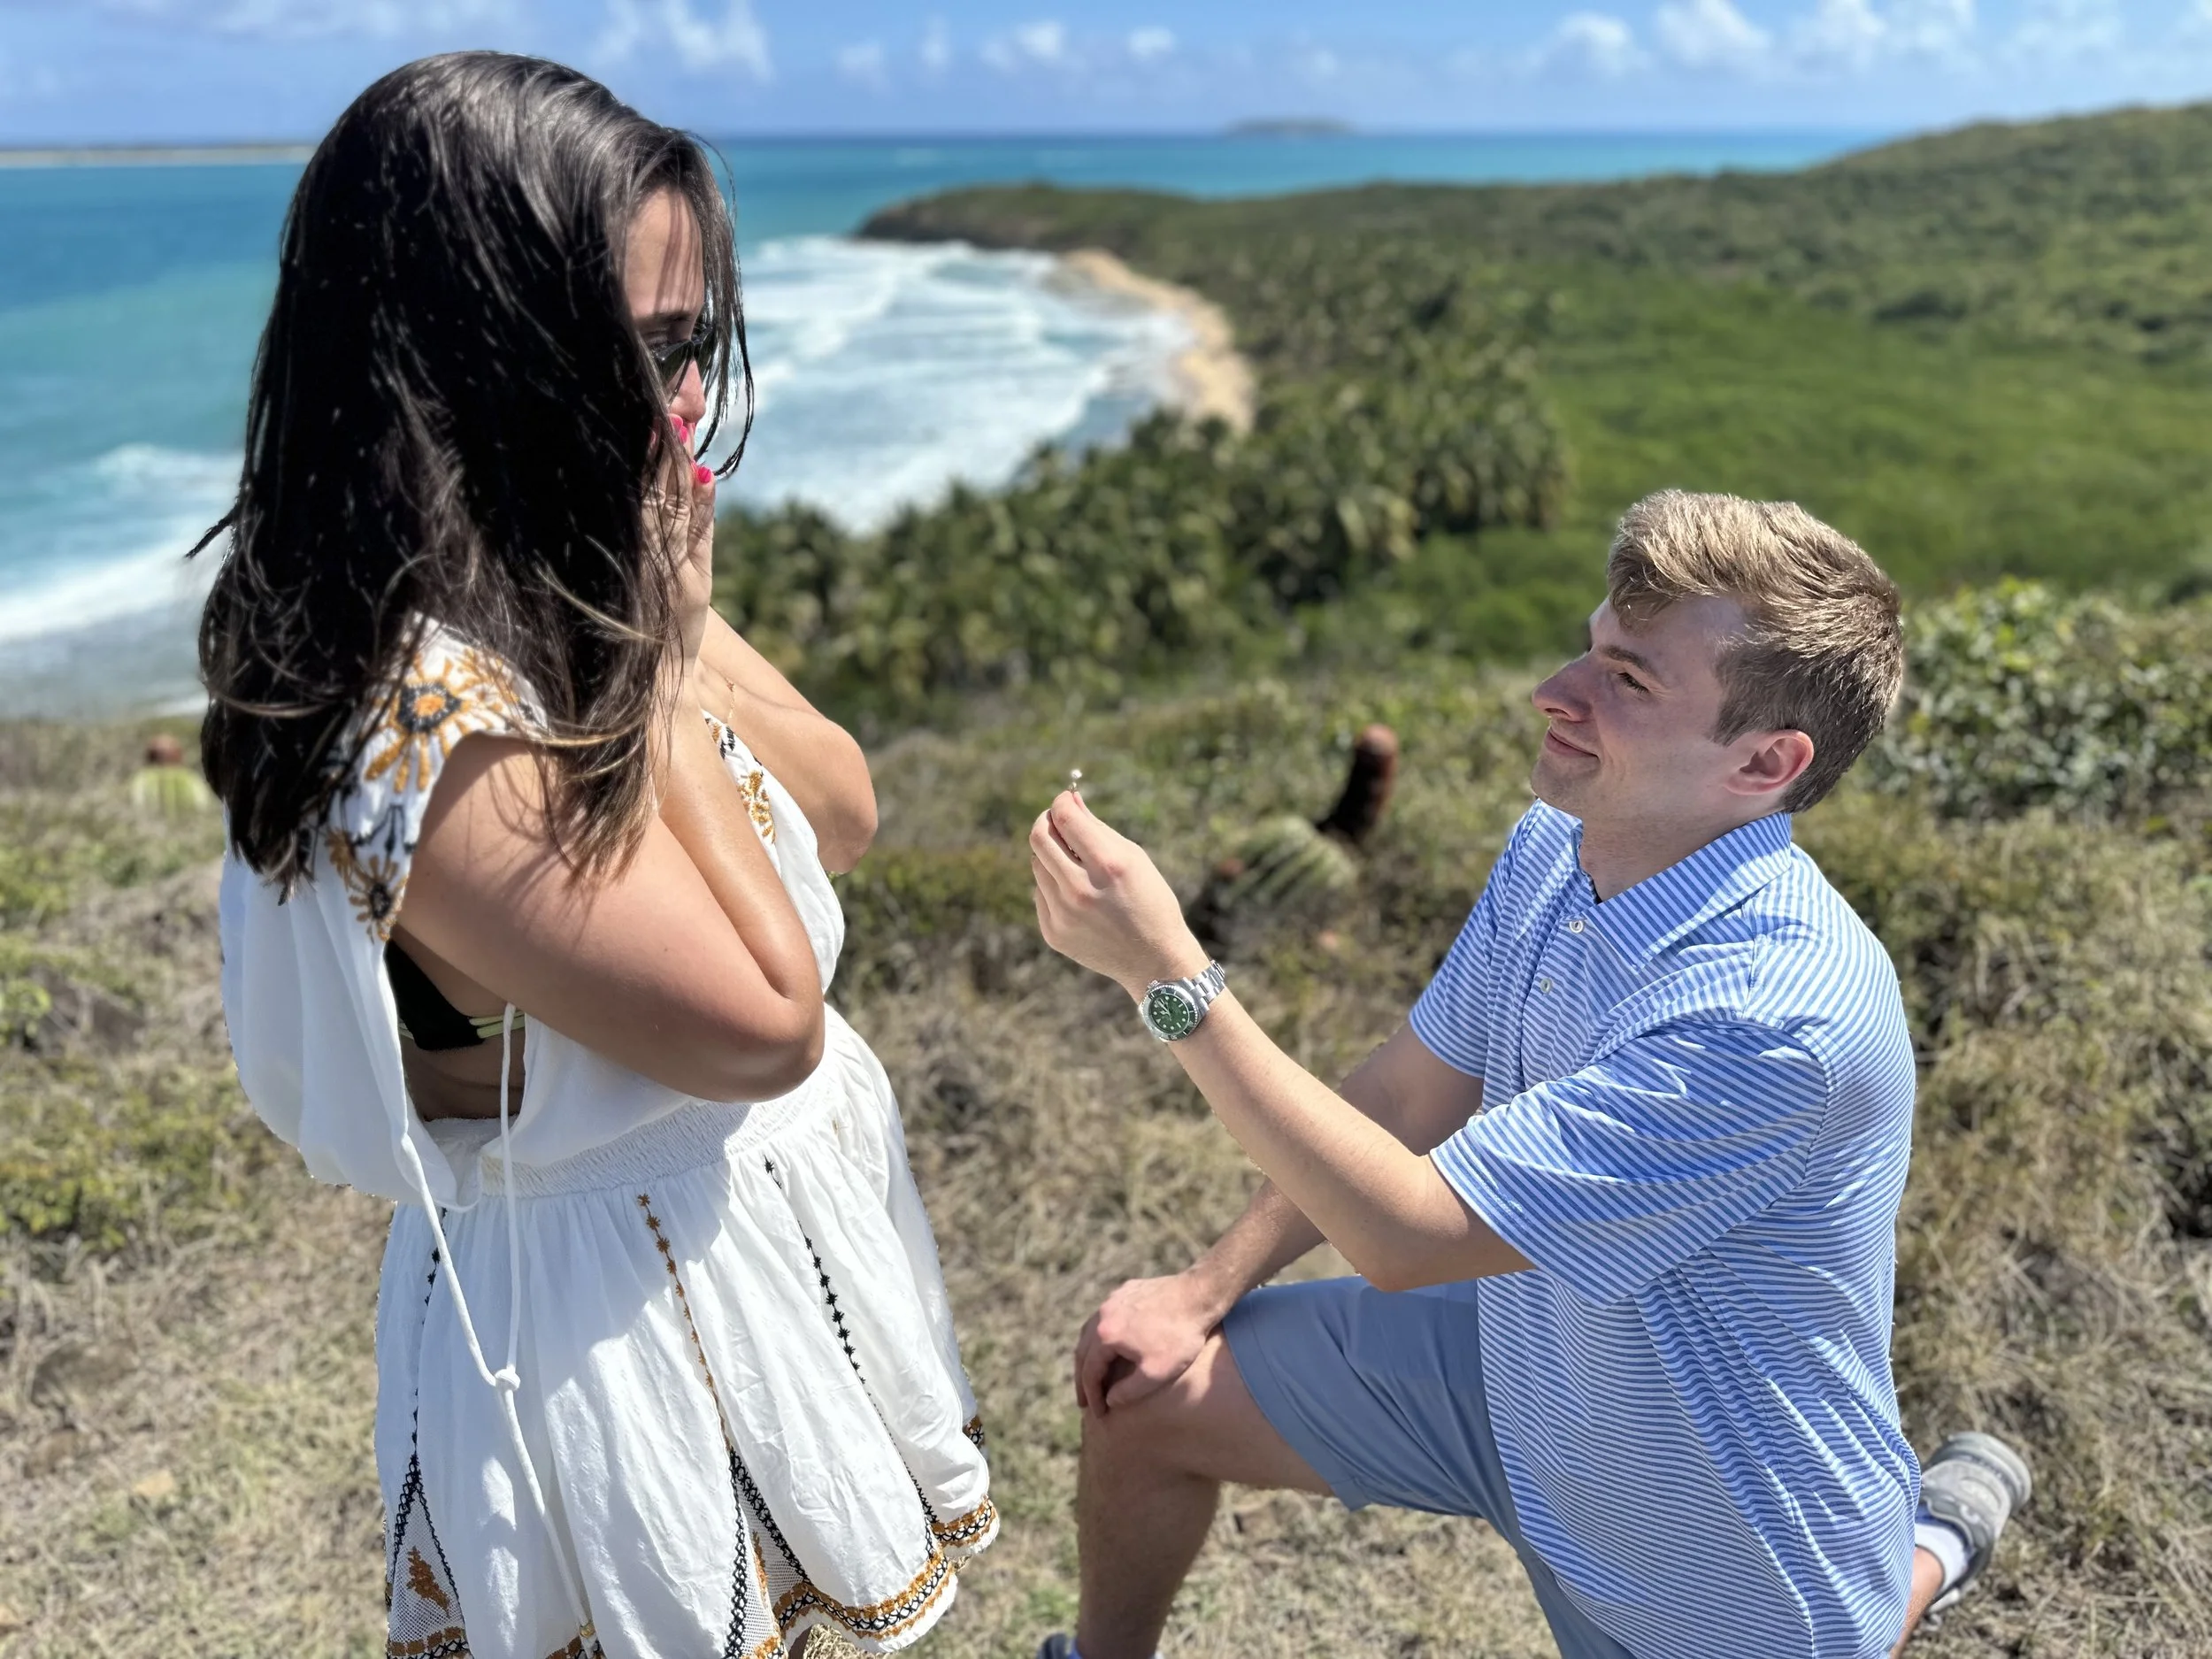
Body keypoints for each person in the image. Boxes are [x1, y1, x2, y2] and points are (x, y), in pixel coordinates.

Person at [202, 54, 992, 1659]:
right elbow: (766, 1020)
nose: (684, 401)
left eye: (693, 345)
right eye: (636, 351)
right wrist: (667, 649)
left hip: (731, 1248)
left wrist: (667, 634)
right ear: (460, 351)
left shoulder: (570, 570)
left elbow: (838, 808)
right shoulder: (430, 722)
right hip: (610, 1328)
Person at [1025, 490, 2028, 1659]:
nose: (1558, 690)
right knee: (1146, 1400)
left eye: (1631, 683)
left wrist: (1170, 975)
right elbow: (1407, 1095)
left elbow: (1407, 1232)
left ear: (1767, 760)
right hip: (1523, 1381)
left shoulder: (1774, 1022)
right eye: (1595, 647)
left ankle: (1937, 1539)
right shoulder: (1560, 843)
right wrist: (1200, 1291)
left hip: (1719, 1568)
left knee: (1844, 1627)